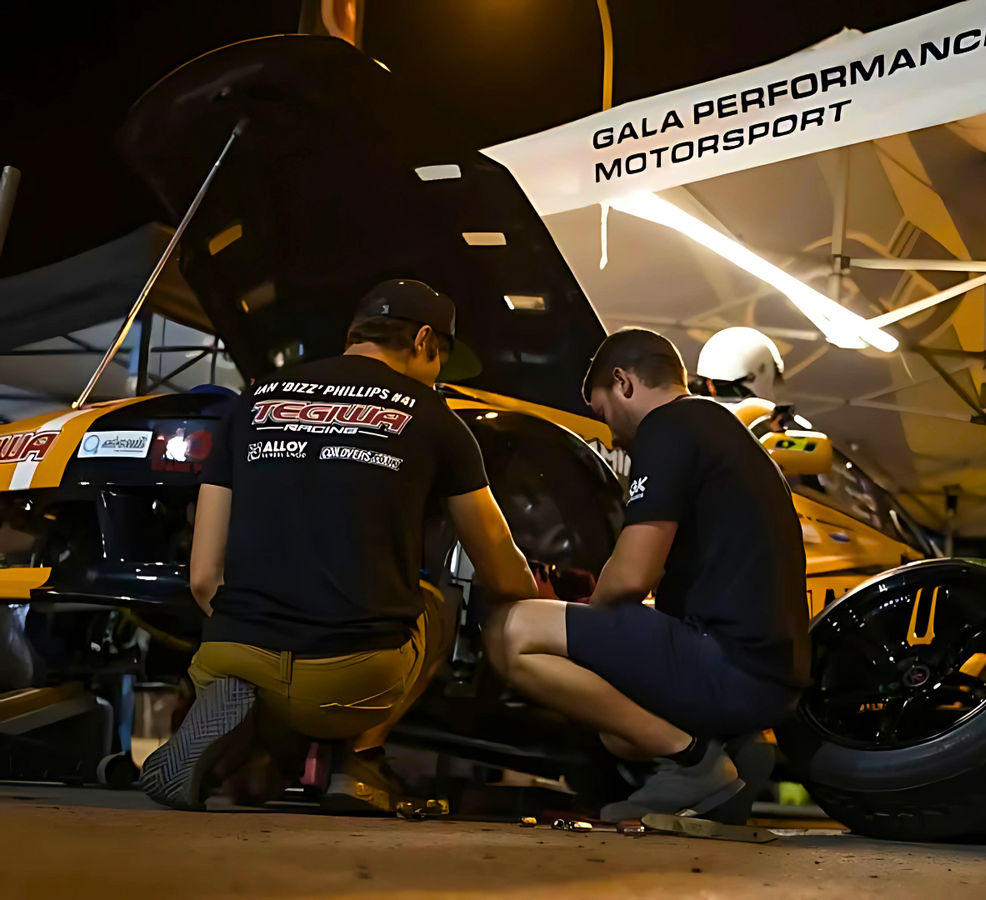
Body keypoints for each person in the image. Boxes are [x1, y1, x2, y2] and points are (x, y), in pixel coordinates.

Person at [141, 279, 547, 813]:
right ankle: (359, 762)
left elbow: (202, 575)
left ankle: (252, 734)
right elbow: (498, 567)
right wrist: (538, 592)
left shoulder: (252, 402)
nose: (438, 378)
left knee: (263, 685)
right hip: (350, 677)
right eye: (440, 361)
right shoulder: (434, 419)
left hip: (231, 653)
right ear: (425, 340)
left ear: (353, 334)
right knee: (435, 604)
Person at [484, 328, 808, 820]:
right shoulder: (717, 430)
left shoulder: (668, 428)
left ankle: (694, 762)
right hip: (767, 675)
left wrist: (580, 616)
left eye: (602, 412)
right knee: (618, 733)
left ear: (624, 382)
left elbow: (633, 575)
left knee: (511, 631)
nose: (611, 433)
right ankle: (733, 749)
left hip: (729, 669)